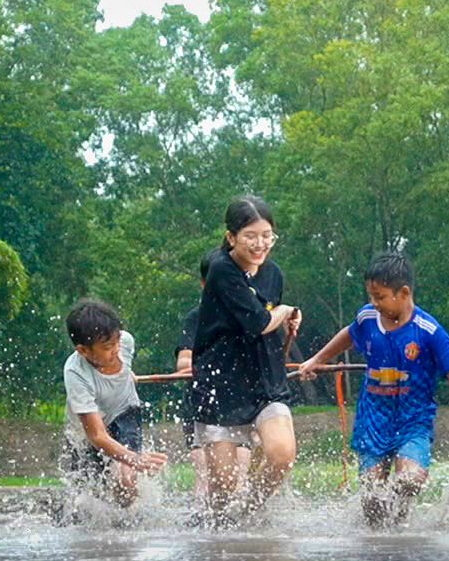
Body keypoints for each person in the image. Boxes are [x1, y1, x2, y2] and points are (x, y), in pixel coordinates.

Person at [298, 253, 449, 526]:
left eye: (379, 296)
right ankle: (381, 543)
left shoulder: (429, 331)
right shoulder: (368, 318)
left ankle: (400, 525)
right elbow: (348, 334)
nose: (374, 303)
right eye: (371, 295)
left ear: (403, 293)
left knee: (409, 479)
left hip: (412, 418)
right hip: (373, 419)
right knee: (371, 498)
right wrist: (317, 359)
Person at [190, 196, 303, 521]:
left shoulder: (273, 273)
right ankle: (219, 527)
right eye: (250, 236)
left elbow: (269, 319)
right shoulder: (221, 269)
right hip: (220, 387)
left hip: (265, 382)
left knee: (282, 455)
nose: (260, 244)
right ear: (231, 237)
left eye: (266, 235)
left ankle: (249, 512)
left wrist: (289, 316)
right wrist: (283, 312)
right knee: (222, 490)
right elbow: (259, 321)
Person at [61, 299, 168, 508]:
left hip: (125, 412)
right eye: (108, 347)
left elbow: (123, 360)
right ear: (83, 350)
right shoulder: (75, 373)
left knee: (125, 480)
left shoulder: (125, 342)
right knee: (86, 497)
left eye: (117, 341)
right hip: (87, 430)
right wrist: (134, 458)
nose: (116, 349)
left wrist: (126, 374)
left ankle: (125, 526)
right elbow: (97, 435)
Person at [167, 252, 247, 499]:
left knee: (241, 470)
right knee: (204, 469)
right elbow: (183, 361)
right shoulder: (196, 317)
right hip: (203, 399)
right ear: (204, 285)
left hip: (241, 401)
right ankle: (203, 520)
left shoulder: (247, 314)